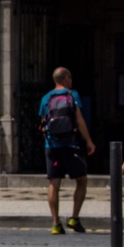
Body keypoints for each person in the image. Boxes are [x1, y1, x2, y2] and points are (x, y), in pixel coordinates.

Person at [39, 67, 96, 235]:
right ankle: (74, 217)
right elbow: (79, 119)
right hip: (71, 145)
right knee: (82, 180)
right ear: (65, 78)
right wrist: (89, 141)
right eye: (70, 77)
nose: (71, 80)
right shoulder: (72, 95)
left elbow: (43, 124)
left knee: (53, 183)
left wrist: (49, 142)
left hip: (52, 146)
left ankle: (56, 223)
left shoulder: (46, 98)